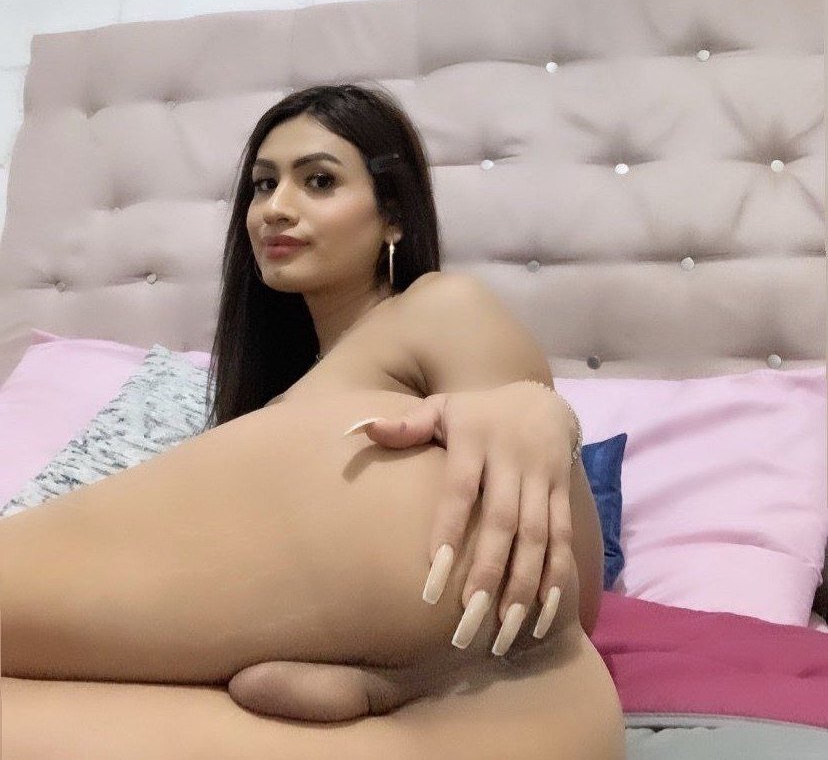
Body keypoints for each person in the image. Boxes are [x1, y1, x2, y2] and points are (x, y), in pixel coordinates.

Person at [0, 84, 626, 759]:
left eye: (318, 181)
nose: (276, 207)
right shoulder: (280, 394)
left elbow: (565, 591)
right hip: (445, 712)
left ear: (392, 216)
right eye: (263, 185)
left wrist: (544, 414)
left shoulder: (440, 307)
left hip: (481, 657)